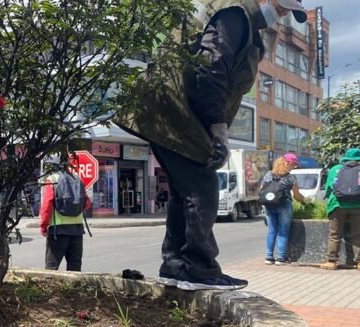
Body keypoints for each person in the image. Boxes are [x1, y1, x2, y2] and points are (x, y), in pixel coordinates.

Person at [116, 0, 308, 290]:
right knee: (202, 190)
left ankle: (176, 267)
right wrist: (218, 130)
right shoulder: (235, 14)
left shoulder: (241, 19)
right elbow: (210, 68)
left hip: (170, 112)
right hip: (177, 114)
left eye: (287, 13)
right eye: (281, 8)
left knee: (186, 193)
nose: (281, 17)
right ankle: (198, 269)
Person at [40, 158, 91, 271]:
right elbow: (87, 203)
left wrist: (43, 226)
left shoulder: (52, 179)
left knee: (51, 267)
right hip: (77, 231)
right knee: (75, 267)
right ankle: (75, 288)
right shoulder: (78, 179)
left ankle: (51, 289)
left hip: (58, 232)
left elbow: (46, 205)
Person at [262, 154, 308, 265]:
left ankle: (269, 257)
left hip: (269, 205)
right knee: (283, 232)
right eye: (294, 164)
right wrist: (305, 201)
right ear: (288, 163)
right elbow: (297, 196)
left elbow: (261, 190)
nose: (294, 167)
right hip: (284, 206)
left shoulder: (268, 175)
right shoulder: (291, 178)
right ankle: (281, 258)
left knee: (272, 231)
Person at [320, 148, 360, 270]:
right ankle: (359, 262)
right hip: (358, 206)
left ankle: (332, 262)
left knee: (335, 234)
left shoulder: (335, 169)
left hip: (337, 205)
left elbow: (328, 189)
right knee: (358, 235)